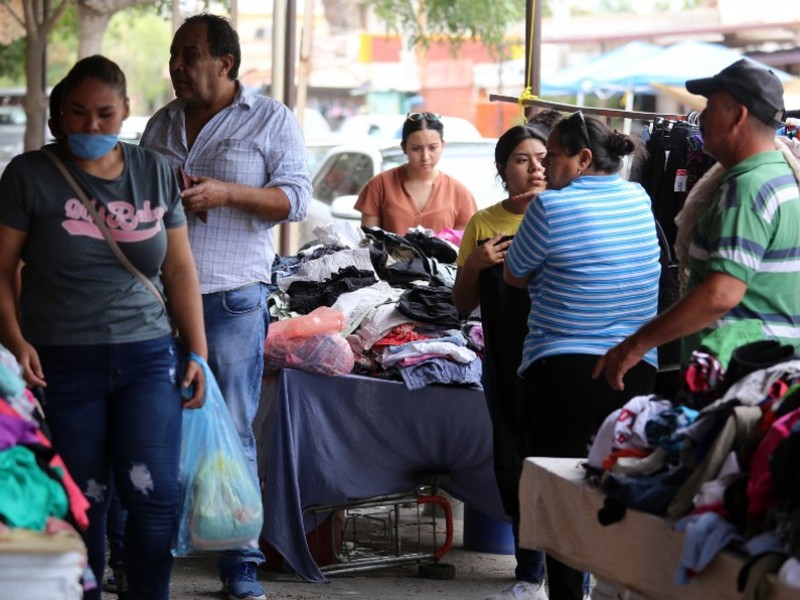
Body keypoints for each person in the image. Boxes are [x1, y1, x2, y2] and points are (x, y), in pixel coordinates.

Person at [0, 55, 207, 600]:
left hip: (146, 356)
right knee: (81, 500)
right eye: (78, 113)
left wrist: (198, 351)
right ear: (59, 113)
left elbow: (180, 268)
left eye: (105, 114)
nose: (91, 126)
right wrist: (15, 342)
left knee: (156, 494)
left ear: (126, 112)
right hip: (59, 361)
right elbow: (0, 270)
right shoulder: (28, 175)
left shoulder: (155, 171)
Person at [140, 13, 312, 600]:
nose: (177, 68)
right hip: (160, 302)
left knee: (234, 427)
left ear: (225, 63)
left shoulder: (270, 118)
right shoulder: (160, 126)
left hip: (234, 297)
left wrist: (226, 192)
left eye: (189, 55)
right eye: (173, 56)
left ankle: (240, 565)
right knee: (155, 427)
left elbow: (294, 199)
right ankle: (150, 552)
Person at [504, 112, 661, 600]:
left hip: (563, 371)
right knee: (622, 492)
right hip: (634, 370)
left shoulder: (550, 208)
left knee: (565, 496)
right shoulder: (639, 198)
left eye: (552, 156)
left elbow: (514, 275)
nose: (545, 165)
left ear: (584, 158)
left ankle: (569, 595)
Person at [594, 60, 800, 392]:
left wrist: (634, 345)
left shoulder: (747, 189)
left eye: (710, 107)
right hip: (764, 374)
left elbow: (721, 294)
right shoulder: (778, 174)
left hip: (739, 379)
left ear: (737, 116)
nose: (700, 118)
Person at [452, 115, 556, 600]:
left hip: (557, 362)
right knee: (514, 463)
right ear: (502, 169)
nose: (535, 168)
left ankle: (574, 567)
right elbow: (461, 304)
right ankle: (529, 569)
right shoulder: (485, 223)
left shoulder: (562, 212)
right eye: (522, 160)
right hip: (504, 361)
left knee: (564, 460)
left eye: (542, 158)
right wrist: (474, 264)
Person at [353, 111, 477, 235]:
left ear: (442, 145)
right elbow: (368, 243)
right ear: (404, 147)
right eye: (416, 149)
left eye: (432, 147)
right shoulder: (379, 186)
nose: (425, 156)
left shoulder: (460, 194)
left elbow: (465, 248)